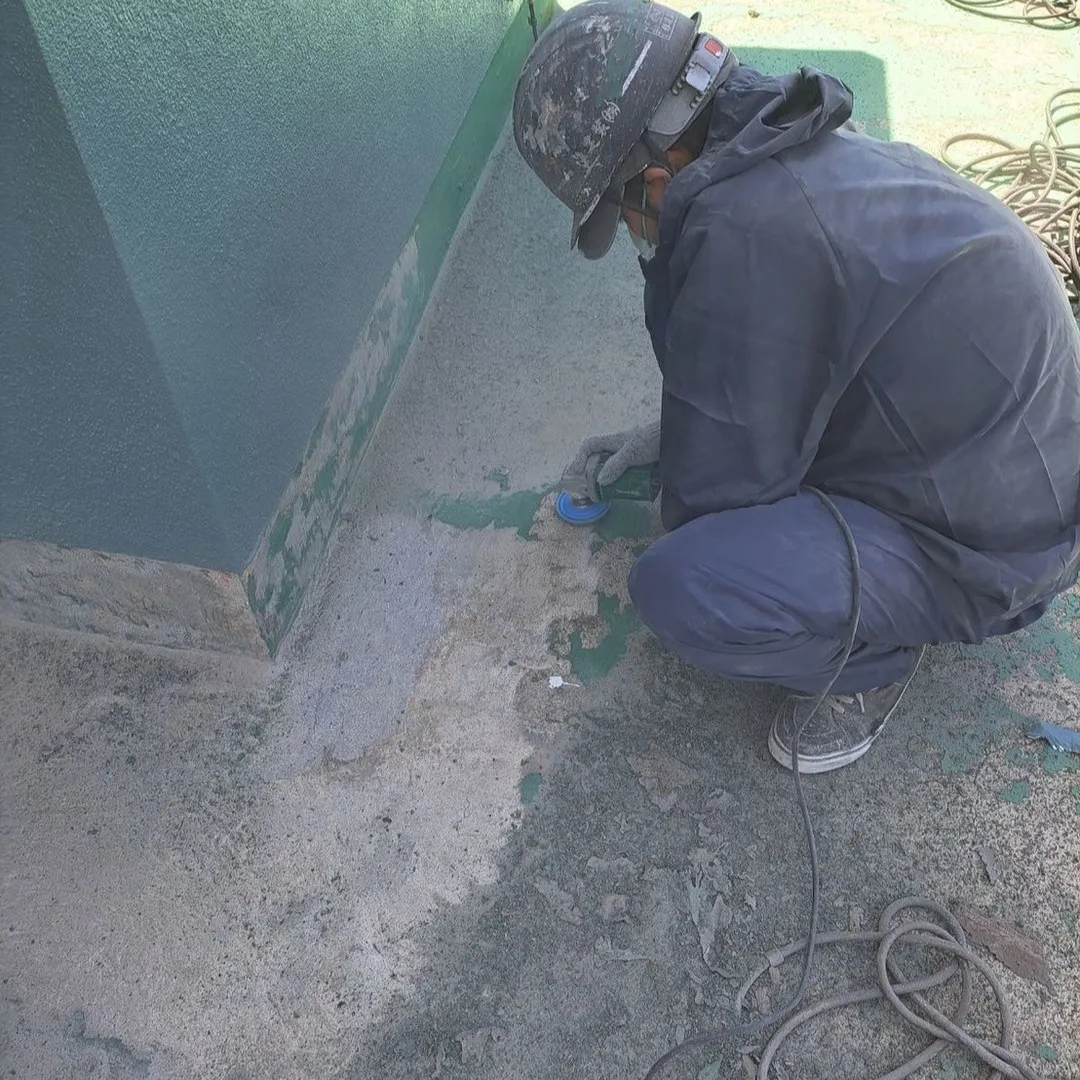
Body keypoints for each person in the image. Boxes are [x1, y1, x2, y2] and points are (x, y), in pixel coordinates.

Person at [512, 0, 1080, 773]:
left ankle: (871, 665)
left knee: (683, 585)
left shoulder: (749, 237)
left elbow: (717, 496)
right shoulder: (788, 143)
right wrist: (670, 432)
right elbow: (804, 356)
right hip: (1009, 467)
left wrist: (685, 453)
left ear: (657, 175)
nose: (634, 232)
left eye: (624, 210)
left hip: (989, 553)